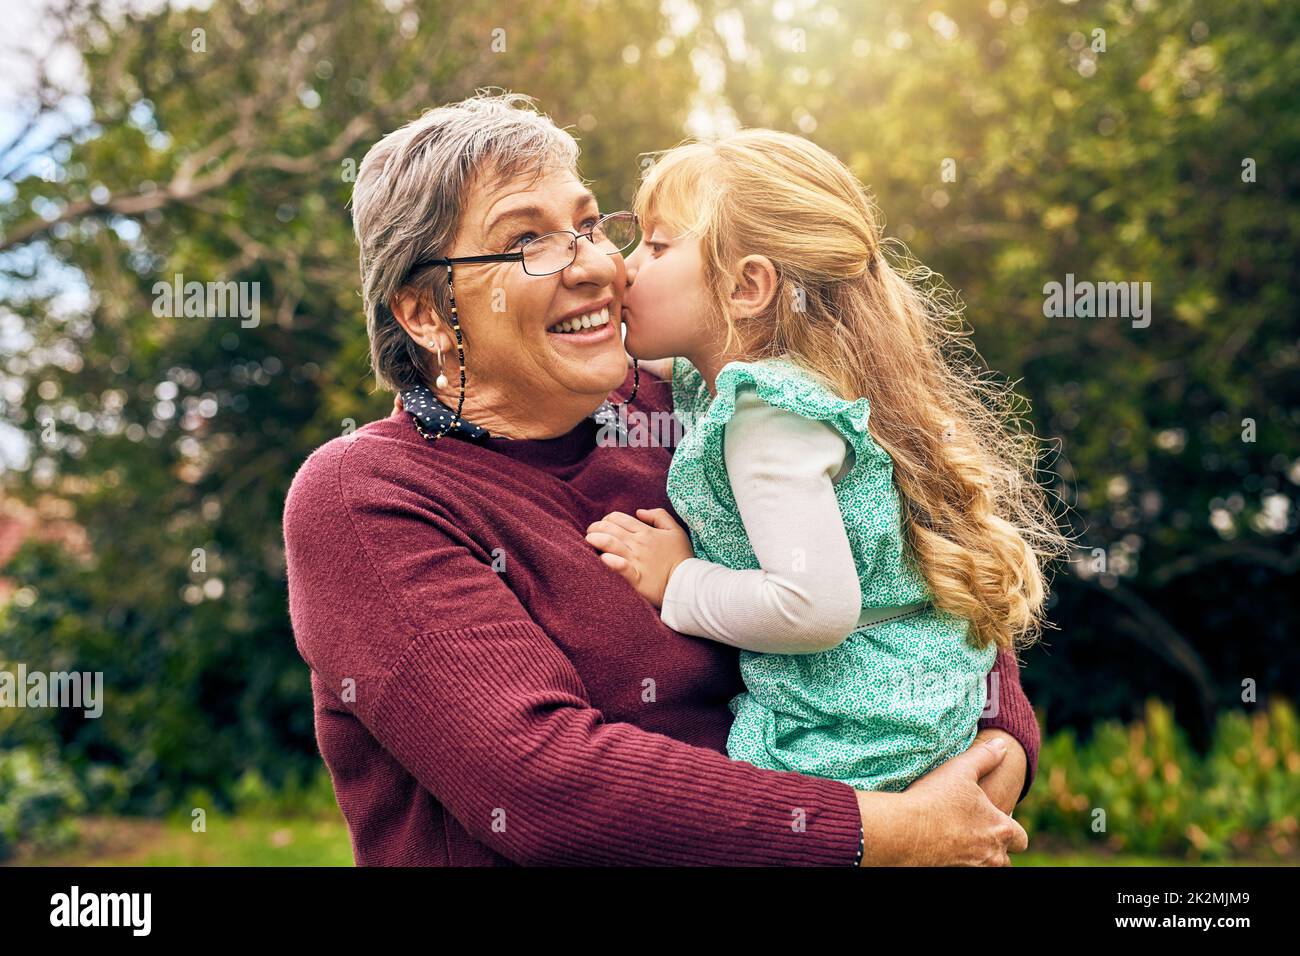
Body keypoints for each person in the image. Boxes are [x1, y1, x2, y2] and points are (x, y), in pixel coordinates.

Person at [283, 92, 1038, 866]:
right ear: (426, 314)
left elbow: (908, 560)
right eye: (528, 241)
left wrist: (997, 747)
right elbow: (547, 787)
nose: (597, 265)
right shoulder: (371, 496)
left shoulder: (696, 407)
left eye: (587, 224)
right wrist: (893, 832)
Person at [587, 129, 1066, 793]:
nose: (625, 266)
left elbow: (812, 608)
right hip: (914, 704)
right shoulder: (792, 379)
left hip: (851, 733)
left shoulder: (768, 419)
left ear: (748, 286)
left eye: (659, 245)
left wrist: (678, 582)